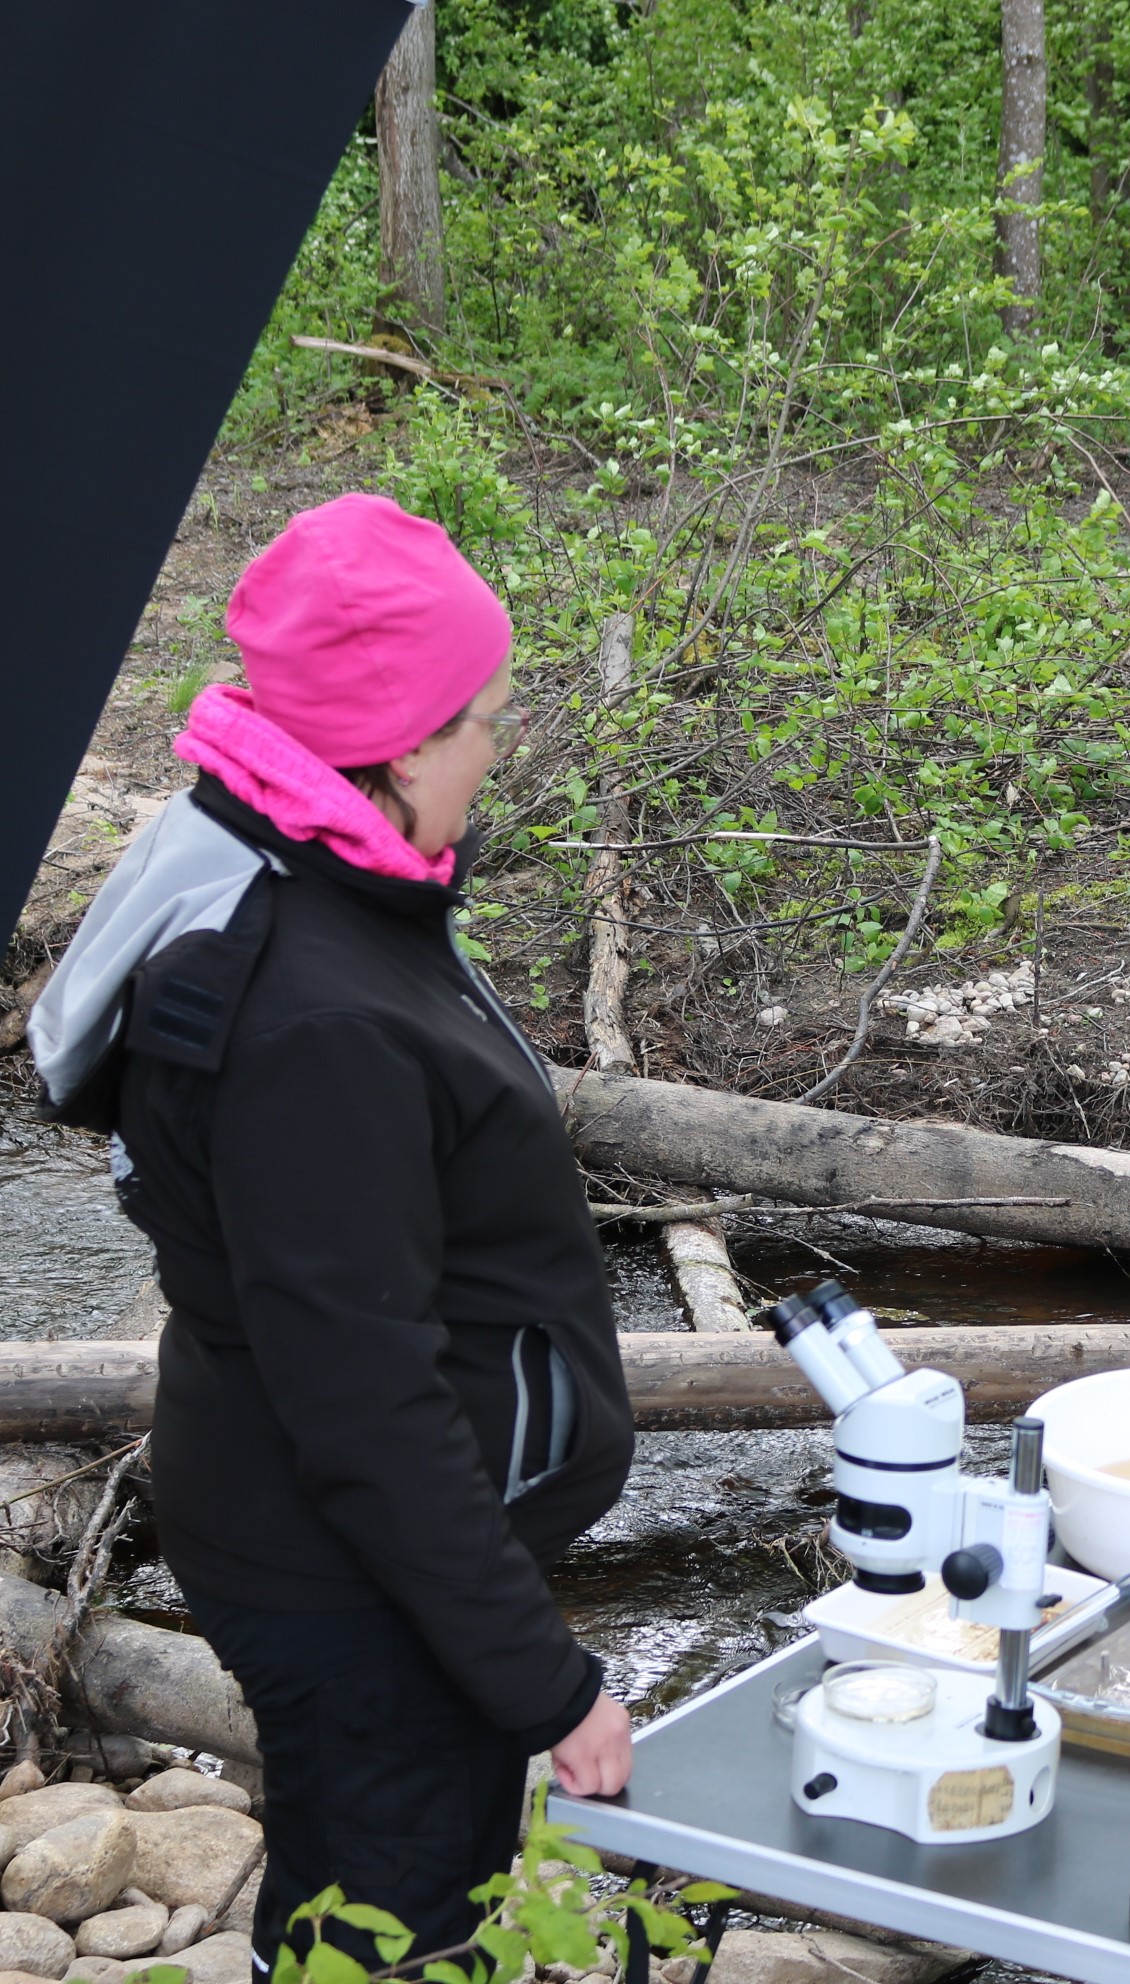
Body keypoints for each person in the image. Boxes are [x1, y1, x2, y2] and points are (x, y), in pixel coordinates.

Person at [29, 494, 636, 1970]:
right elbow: (361, 1401)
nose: (502, 746)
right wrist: (549, 1685)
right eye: (487, 716)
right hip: (355, 1578)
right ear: (402, 737)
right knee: (395, 1922)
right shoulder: (313, 1016)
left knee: (351, 1885)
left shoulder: (298, 861)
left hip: (344, 1547)